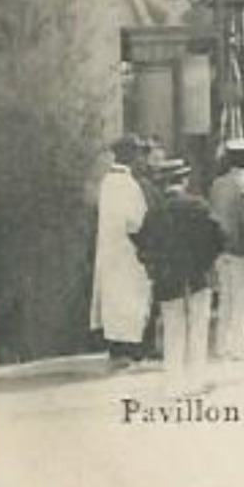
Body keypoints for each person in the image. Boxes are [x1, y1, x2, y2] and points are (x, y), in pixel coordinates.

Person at [137, 160, 225, 394]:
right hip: (198, 276)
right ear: (183, 180)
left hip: (168, 279)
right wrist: (205, 262)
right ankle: (196, 380)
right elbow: (219, 238)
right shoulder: (198, 206)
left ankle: (173, 383)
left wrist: (156, 267)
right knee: (198, 328)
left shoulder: (154, 212)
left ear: (163, 184)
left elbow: (143, 246)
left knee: (172, 330)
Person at [91, 134, 152, 369]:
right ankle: (129, 348)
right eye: (135, 153)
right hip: (128, 252)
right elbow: (134, 221)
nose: (138, 158)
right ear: (127, 155)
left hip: (110, 251)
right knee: (129, 297)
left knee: (114, 297)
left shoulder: (107, 182)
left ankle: (117, 347)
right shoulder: (127, 184)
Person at [208, 138, 244, 360]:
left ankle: (222, 345)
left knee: (226, 300)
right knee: (243, 300)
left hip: (221, 250)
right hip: (241, 250)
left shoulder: (217, 185)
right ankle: (239, 346)